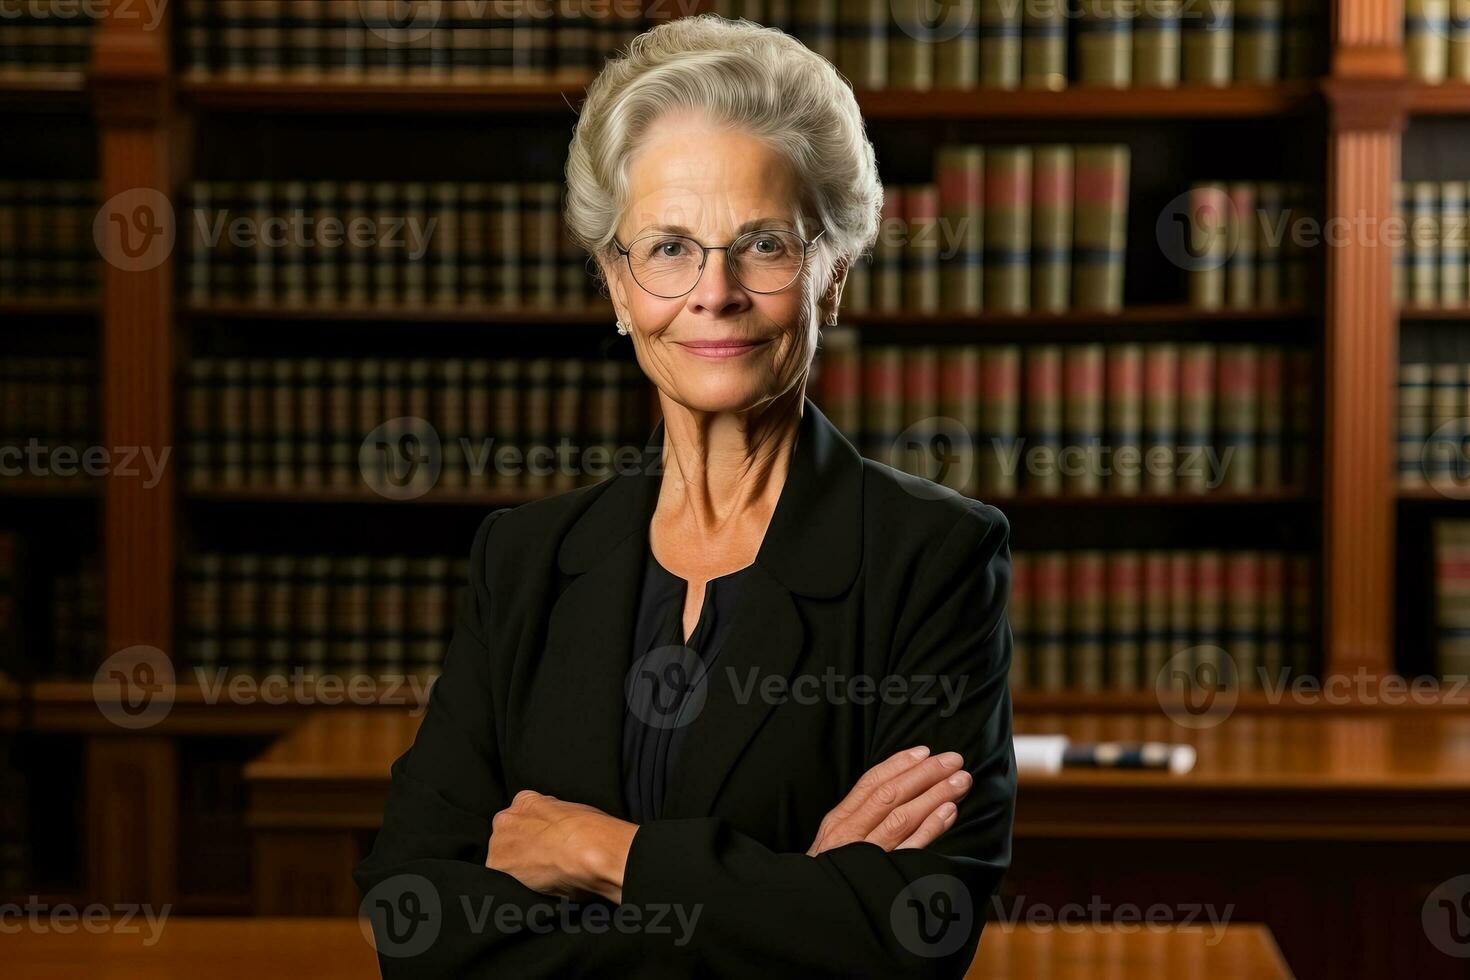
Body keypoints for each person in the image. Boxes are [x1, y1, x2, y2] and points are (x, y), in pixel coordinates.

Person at [355, 14, 1016, 978]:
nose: (714, 293)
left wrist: (598, 853)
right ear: (617, 286)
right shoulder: (526, 558)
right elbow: (412, 918)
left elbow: (909, 936)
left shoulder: (932, 558)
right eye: (668, 248)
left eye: (763, 245)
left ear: (832, 275)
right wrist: (786, 903)